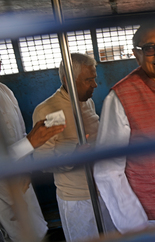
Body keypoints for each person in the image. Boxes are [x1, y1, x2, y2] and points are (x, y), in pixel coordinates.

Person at [94, 23, 155, 234]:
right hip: (151, 218)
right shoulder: (120, 98)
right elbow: (108, 169)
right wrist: (134, 225)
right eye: (149, 48)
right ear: (136, 55)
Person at [32, 53, 114, 242]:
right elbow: (45, 162)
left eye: (95, 78)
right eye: (88, 80)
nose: (95, 85)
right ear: (66, 80)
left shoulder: (87, 102)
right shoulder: (52, 111)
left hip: (104, 191)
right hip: (79, 200)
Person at [0, 82, 65, 242]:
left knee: (37, 231)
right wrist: (30, 142)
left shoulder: (5, 91)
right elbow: (26, 141)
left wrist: (27, 169)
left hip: (20, 180)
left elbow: (21, 133)